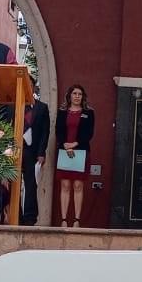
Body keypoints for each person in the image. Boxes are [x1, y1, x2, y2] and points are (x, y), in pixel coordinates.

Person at [55, 83, 95, 227]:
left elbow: (89, 133)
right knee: (65, 184)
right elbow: (58, 130)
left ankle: (76, 220)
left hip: (81, 151)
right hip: (64, 150)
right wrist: (65, 144)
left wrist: (75, 144)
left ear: (83, 97)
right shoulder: (62, 112)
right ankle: (64, 220)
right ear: (69, 96)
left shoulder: (88, 113)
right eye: (74, 93)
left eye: (80, 94)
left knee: (78, 185)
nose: (77, 96)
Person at [22, 84, 50, 224]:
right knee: (11, 184)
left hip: (32, 152)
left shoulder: (42, 108)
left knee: (31, 184)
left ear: (32, 88)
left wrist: (41, 153)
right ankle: (14, 214)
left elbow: (45, 132)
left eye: (30, 85)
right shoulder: (13, 105)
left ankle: (30, 217)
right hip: (15, 151)